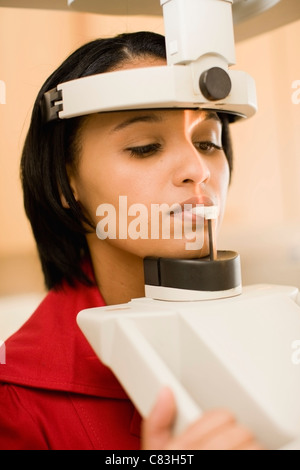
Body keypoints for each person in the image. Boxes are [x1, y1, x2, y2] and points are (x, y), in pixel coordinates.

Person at [0, 31, 262, 450]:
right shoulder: (14, 402)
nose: (198, 170)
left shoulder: (279, 338)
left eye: (207, 142)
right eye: (145, 147)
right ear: (67, 183)